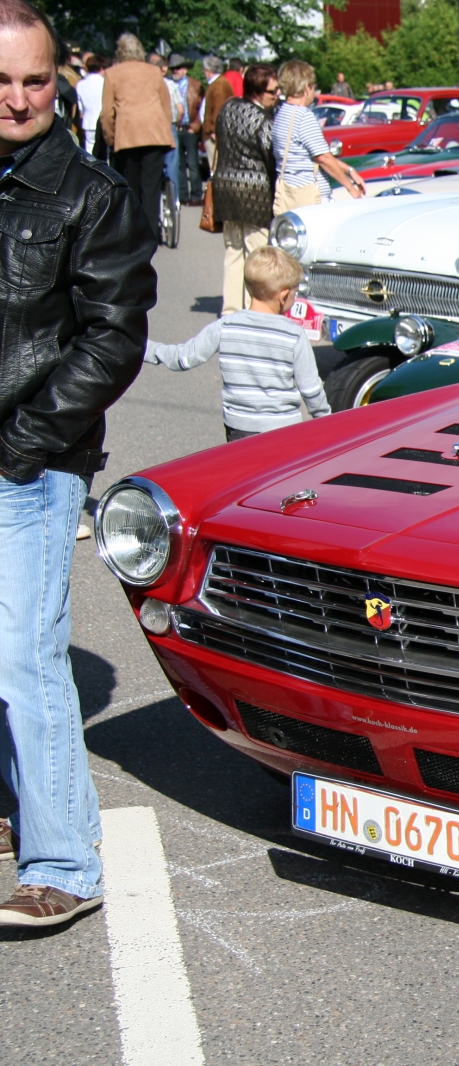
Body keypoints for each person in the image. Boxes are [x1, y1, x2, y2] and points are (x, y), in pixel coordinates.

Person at [0, 0, 157, 928]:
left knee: (24, 659)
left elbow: (112, 340)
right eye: (1, 80)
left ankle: (62, 859)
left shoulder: (91, 195)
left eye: (32, 79)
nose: (17, 98)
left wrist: (22, 444)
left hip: (31, 462)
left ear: (58, 80)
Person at [144, 247, 330, 440]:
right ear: (283, 296)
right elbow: (311, 390)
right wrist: (326, 420)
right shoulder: (294, 335)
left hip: (239, 427)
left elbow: (183, 358)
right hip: (283, 430)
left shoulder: (226, 326)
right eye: (295, 292)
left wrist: (142, 348)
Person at [214, 63, 279, 315]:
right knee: (257, 254)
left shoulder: (228, 108)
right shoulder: (263, 119)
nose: (276, 95)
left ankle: (230, 309)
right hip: (254, 194)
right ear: (258, 91)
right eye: (272, 91)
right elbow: (269, 156)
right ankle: (255, 311)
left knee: (233, 253)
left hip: (226, 189)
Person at [100, 32, 174, 236]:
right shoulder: (154, 72)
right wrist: (165, 129)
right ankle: (151, 230)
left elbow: (106, 113)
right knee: (151, 187)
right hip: (154, 133)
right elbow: (166, 106)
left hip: (128, 133)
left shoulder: (113, 73)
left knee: (130, 186)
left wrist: (110, 137)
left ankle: (133, 232)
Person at [271, 59, 365, 212]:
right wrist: (351, 188)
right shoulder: (303, 116)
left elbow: (314, 154)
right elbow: (323, 158)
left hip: (290, 192)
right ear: (306, 87)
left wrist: (348, 169)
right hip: (310, 197)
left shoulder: (282, 113)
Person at [166, 53, 202, 203]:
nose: (176, 71)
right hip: (175, 128)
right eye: (173, 69)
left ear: (185, 69)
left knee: (193, 163)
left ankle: (196, 195)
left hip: (190, 128)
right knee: (178, 164)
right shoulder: (168, 85)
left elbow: (201, 108)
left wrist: (197, 126)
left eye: (179, 68)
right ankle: (182, 195)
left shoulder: (196, 85)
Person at [200, 54, 233, 171]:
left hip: (214, 133)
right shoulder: (217, 83)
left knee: (216, 168)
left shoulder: (219, 85)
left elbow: (219, 108)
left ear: (208, 70)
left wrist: (214, 130)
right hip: (213, 131)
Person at [76, 52, 103, 154]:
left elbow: (80, 107)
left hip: (88, 121)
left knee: (89, 150)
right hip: (101, 120)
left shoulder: (81, 84)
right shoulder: (104, 82)